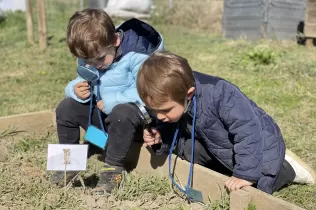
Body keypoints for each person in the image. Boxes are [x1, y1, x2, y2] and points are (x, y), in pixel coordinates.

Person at [136, 51, 316, 194]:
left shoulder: (221, 94)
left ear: (189, 94)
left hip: (261, 144)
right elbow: (176, 129)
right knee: (190, 151)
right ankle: (237, 169)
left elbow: (248, 132)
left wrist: (244, 174)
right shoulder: (177, 96)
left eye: (165, 111)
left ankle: (288, 168)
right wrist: (160, 135)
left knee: (257, 187)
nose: (159, 116)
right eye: (155, 110)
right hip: (221, 144)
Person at [53, 8, 164, 194]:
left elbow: (148, 93)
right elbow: (85, 79)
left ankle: (112, 171)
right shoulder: (93, 53)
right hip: (105, 120)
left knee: (122, 113)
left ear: (115, 40)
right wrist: (75, 89)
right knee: (66, 108)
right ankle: (69, 163)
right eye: (87, 61)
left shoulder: (138, 56)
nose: (95, 65)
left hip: (134, 123)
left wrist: (112, 101)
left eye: (100, 60)